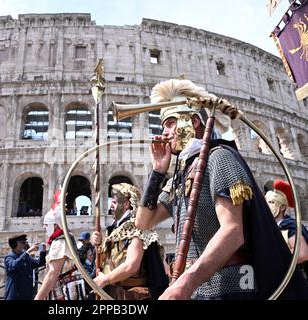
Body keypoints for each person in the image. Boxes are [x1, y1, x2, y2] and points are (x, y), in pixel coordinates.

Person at [135, 78, 308, 299]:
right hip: (198, 288)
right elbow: (144, 221)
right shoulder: (182, 174)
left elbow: (233, 232)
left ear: (194, 121)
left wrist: (186, 283)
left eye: (170, 123)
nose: (165, 132)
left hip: (230, 287)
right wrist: (158, 171)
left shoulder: (221, 158)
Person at [91, 183, 168, 300]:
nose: (111, 206)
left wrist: (106, 279)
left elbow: (131, 266)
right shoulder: (114, 230)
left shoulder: (136, 229)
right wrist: (98, 246)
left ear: (126, 204)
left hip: (130, 295)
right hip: (111, 293)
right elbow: (105, 262)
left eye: (114, 202)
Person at [34, 189, 83, 300]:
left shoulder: (59, 241)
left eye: (46, 225)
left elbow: (53, 272)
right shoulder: (63, 238)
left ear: (55, 226)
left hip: (63, 293)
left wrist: (38, 297)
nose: (44, 227)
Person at [265, 179, 308, 274]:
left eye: (271, 202)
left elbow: (302, 254)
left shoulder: (290, 226)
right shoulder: (270, 227)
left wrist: (271, 258)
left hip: (291, 276)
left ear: (282, 207)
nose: (267, 206)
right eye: (266, 203)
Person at [4, 234, 46, 300]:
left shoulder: (26, 257)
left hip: (26, 295)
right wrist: (28, 252)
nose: (24, 245)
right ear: (15, 244)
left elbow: (39, 263)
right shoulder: (10, 257)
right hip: (15, 296)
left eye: (25, 243)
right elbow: (14, 266)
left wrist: (43, 252)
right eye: (22, 243)